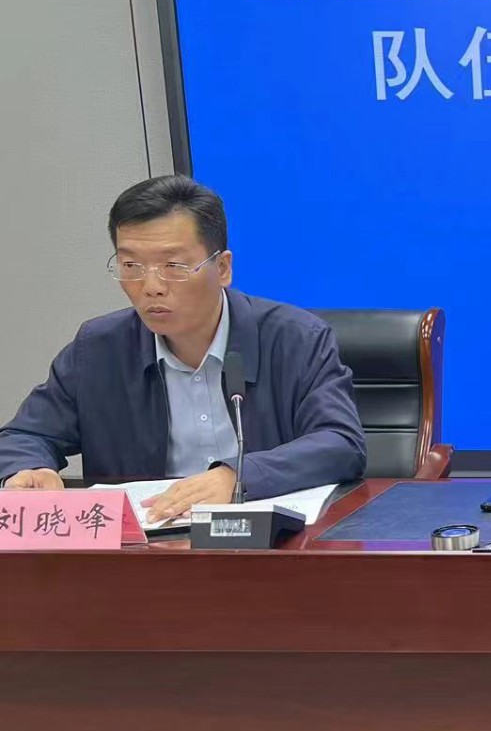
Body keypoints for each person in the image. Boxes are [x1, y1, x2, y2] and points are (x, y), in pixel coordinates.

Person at [0, 175, 366, 520]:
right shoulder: (99, 349)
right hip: (146, 551)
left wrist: (238, 476)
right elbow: (24, 436)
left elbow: (340, 443)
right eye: (131, 265)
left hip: (267, 547)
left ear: (222, 268)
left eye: (173, 265)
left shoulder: (295, 339)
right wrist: (29, 468)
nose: (151, 286)